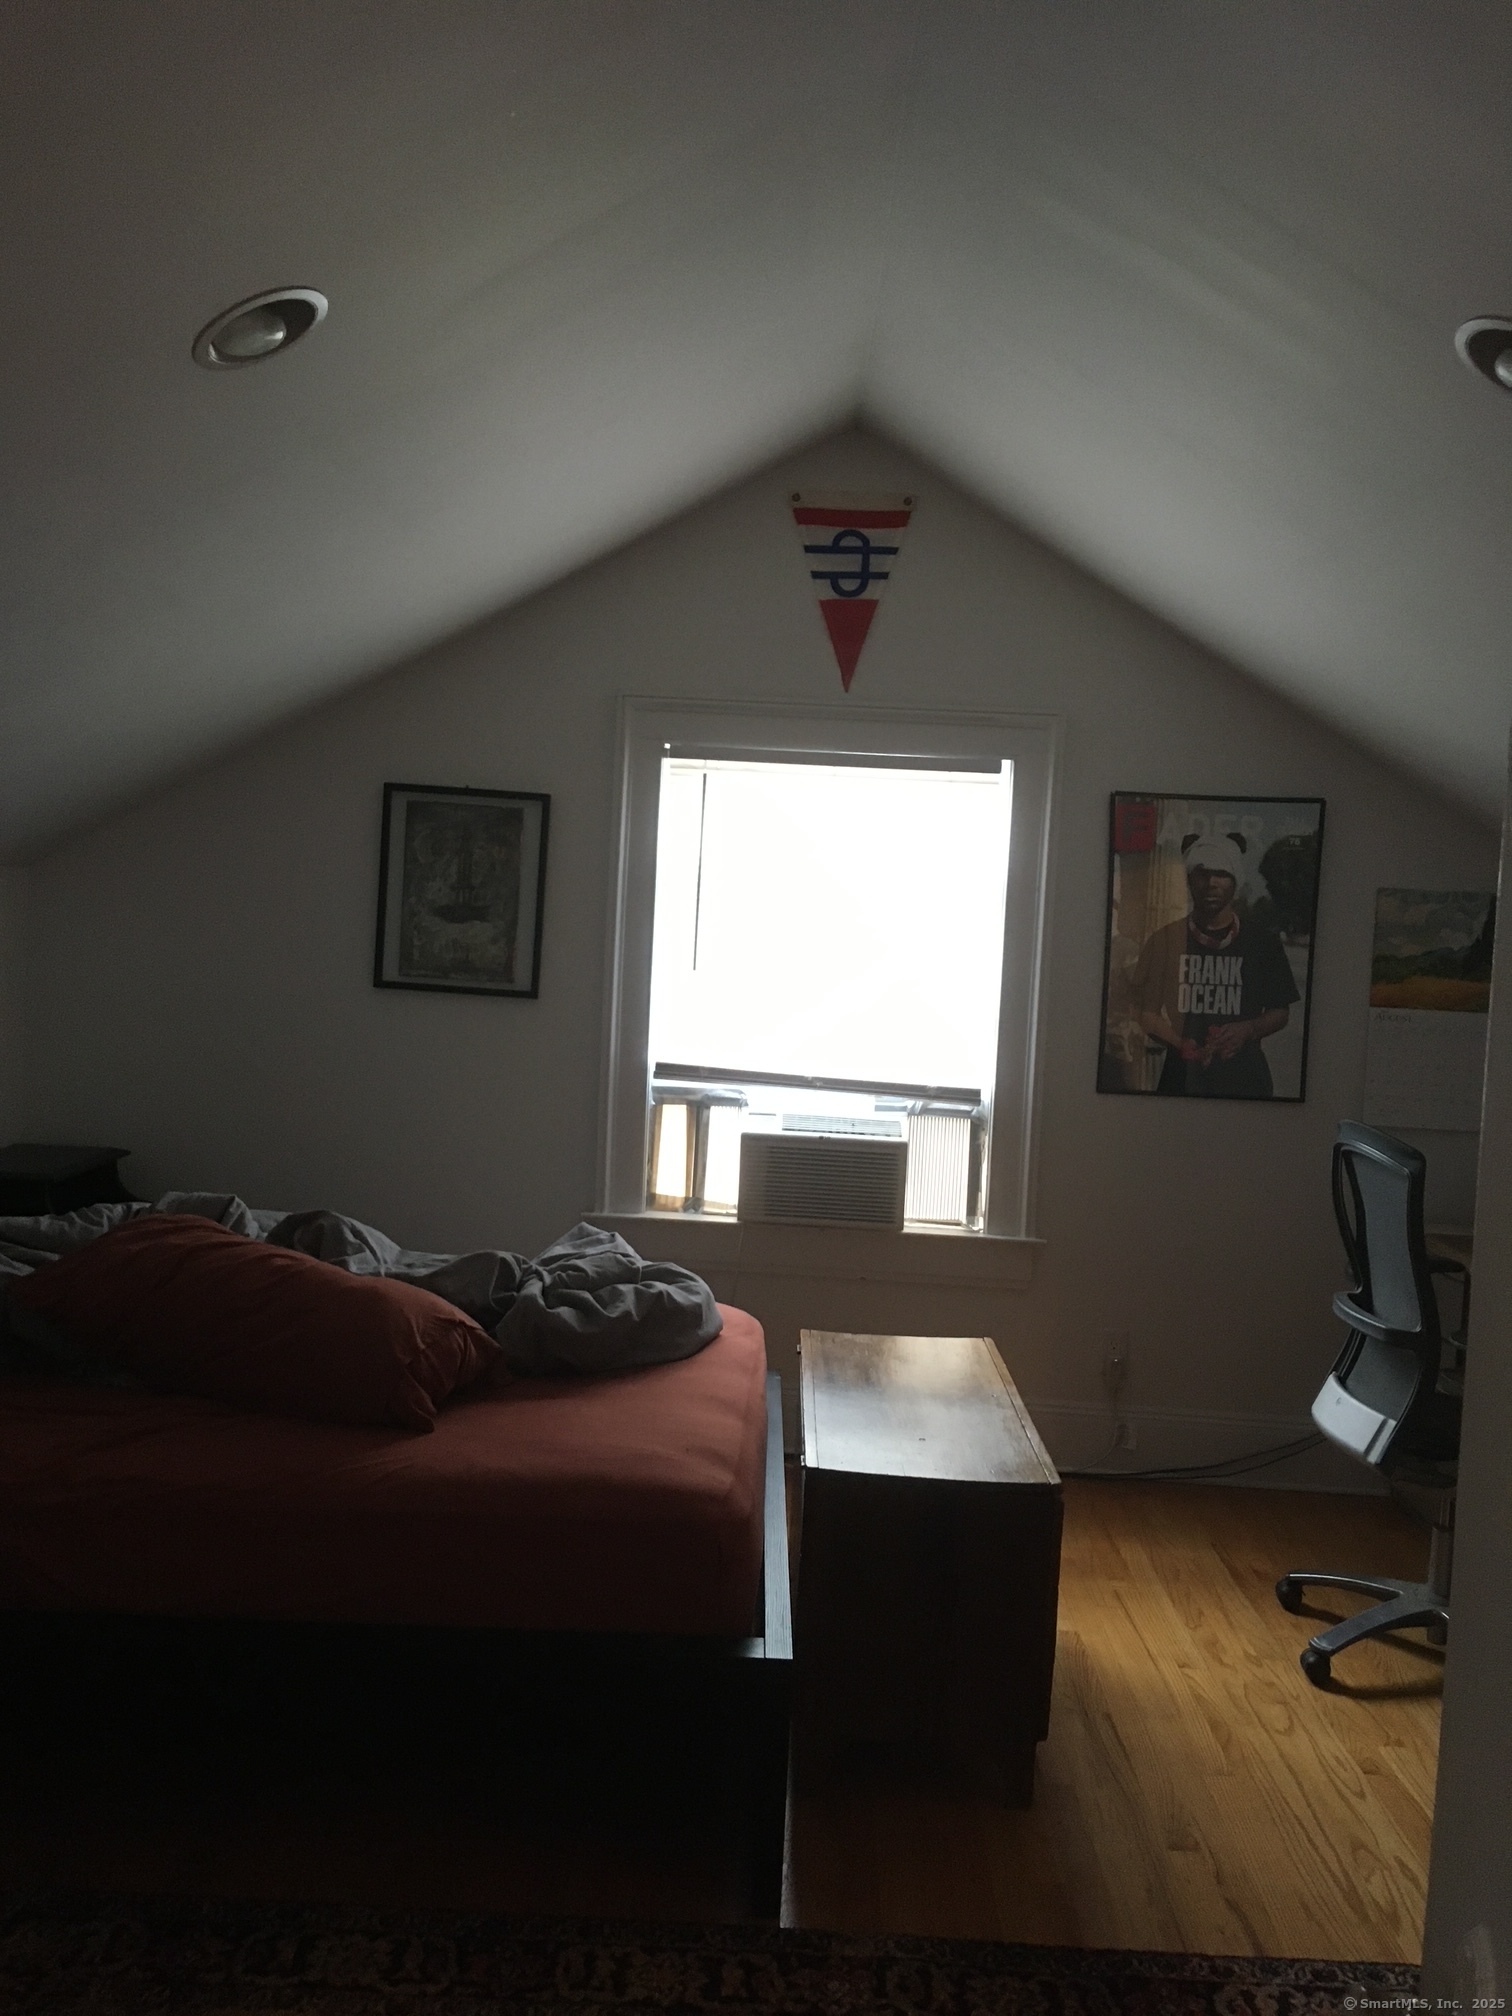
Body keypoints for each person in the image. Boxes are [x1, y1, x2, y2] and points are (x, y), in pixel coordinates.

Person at [1129, 835, 1299, 1097]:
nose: (1211, 883)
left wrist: (1248, 1029)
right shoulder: (1164, 940)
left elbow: (1280, 1011)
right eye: (1201, 873)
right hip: (1181, 1083)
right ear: (1189, 879)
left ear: (1235, 880)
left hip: (1248, 1086)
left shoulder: (1262, 941)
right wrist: (1179, 1043)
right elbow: (1146, 1013)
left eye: (1221, 874)